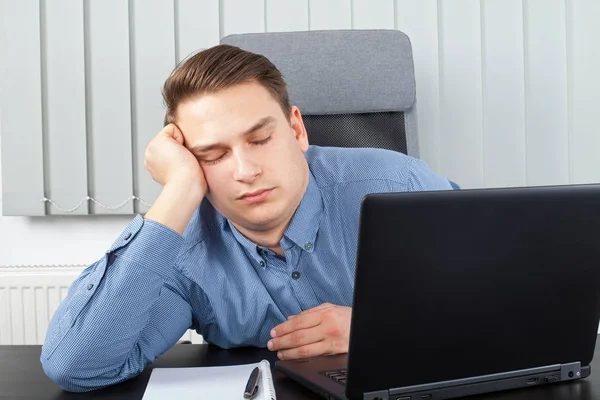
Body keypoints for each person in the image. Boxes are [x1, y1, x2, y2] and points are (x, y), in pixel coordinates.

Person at [41, 44, 457, 392]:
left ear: (296, 130)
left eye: (260, 139)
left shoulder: (397, 183)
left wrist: (380, 329)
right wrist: (179, 191)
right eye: (213, 155)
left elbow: (513, 301)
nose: (246, 170)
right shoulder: (183, 249)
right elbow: (76, 366)